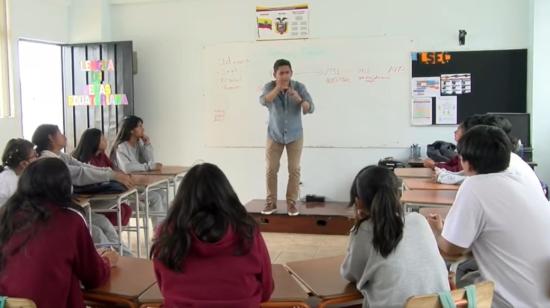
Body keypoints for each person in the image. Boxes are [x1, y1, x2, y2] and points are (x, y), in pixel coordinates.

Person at [428, 125, 550, 307]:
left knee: (439, 290)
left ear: (466, 161)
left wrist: (437, 230)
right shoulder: (522, 176)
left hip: (513, 302)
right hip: (541, 295)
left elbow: (451, 251)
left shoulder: (475, 186)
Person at [0, 158, 118, 308]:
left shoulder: (6, 216)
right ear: (66, 186)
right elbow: (93, 277)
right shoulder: (70, 220)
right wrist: (107, 261)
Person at [151, 163, 273, 307]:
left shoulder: (167, 234)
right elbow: (266, 291)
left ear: (182, 199)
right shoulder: (247, 231)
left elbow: (163, 287)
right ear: (227, 196)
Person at [341, 165, 449, 307]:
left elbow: (351, 274)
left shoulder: (365, 230)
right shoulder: (419, 220)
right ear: (399, 195)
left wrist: (360, 223)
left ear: (358, 201)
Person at [259, 59, 314, 216]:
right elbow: (263, 100)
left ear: (291, 73)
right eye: (281, 73)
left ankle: (291, 204)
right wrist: (278, 88)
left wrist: (299, 99)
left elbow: (310, 107)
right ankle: (271, 203)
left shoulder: (299, 87)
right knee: (271, 169)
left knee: (294, 169)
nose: (284, 76)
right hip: (274, 134)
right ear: (274, 74)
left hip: (295, 135)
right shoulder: (269, 87)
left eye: (287, 72)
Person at [111, 115, 167, 227]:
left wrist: (147, 144)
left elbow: (150, 160)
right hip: (128, 188)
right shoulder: (122, 147)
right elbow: (127, 168)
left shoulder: (139, 144)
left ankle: (165, 229)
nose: (143, 129)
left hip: (139, 185)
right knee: (155, 197)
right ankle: (159, 233)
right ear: (131, 130)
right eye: (140, 126)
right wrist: (148, 167)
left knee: (162, 193)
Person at [72, 128, 133, 226]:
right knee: (120, 210)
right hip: (94, 198)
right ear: (94, 141)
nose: (106, 140)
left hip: (107, 193)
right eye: (102, 138)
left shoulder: (102, 155)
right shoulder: (85, 161)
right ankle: (111, 239)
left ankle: (114, 238)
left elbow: (115, 170)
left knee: (127, 209)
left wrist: (121, 176)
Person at [0, 139, 37, 206]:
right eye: (34, 156)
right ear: (23, 163)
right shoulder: (6, 182)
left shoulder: (22, 175)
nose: (37, 158)